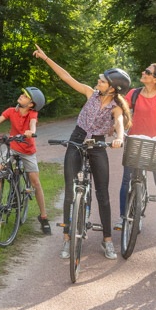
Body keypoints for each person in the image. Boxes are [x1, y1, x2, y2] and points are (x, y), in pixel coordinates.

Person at [33, 45, 131, 259]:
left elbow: (120, 123)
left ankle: (107, 240)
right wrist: (46, 57)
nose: (98, 82)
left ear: (113, 88)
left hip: (97, 145)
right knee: (70, 192)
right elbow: (67, 77)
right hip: (77, 140)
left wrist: (119, 138)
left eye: (103, 81)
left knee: (102, 194)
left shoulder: (115, 107)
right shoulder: (90, 94)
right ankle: (67, 238)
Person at [0, 87, 50, 234]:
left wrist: (31, 133)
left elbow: (33, 124)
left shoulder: (32, 113)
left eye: (25, 96)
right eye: (22, 94)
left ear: (31, 104)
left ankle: (43, 216)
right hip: (12, 146)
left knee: (35, 182)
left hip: (28, 150)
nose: (21, 96)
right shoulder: (11, 110)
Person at [116, 63, 156, 232]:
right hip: (135, 141)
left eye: (147, 72)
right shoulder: (133, 94)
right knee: (127, 180)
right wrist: (117, 126)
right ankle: (123, 218)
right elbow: (121, 112)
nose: (143, 72)